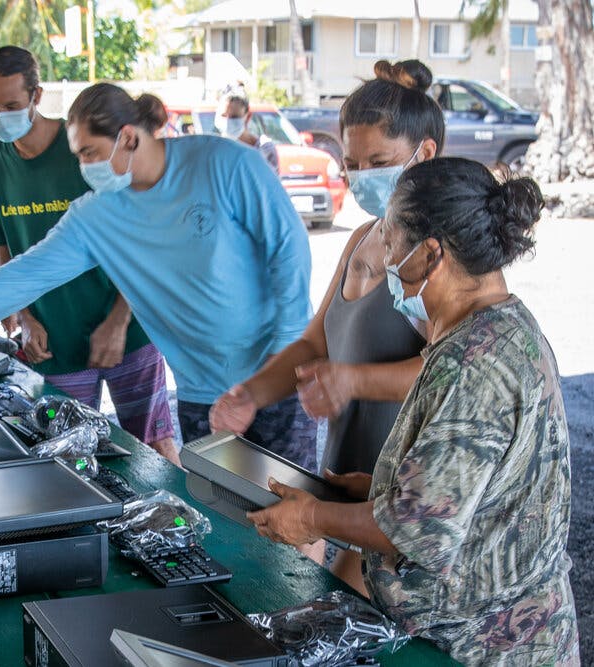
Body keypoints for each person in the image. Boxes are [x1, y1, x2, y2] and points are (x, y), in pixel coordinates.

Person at [247, 157, 579, 665]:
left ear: (429, 255)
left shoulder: (472, 365)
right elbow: (478, 492)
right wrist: (380, 489)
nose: (385, 263)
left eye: (390, 244)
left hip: (488, 647)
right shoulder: (501, 327)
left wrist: (312, 517)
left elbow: (418, 533)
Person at [0, 82, 316, 470]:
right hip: (203, 392)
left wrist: (278, 363)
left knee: (294, 509)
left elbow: (288, 252)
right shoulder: (96, 215)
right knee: (228, 511)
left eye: (89, 153)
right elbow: (28, 273)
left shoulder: (225, 164)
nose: (83, 167)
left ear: (128, 137)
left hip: (278, 376)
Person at [210, 59, 442, 589]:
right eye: (353, 164)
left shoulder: (438, 256)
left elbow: (450, 372)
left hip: (407, 503)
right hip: (351, 485)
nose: (363, 177)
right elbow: (316, 341)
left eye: (379, 163)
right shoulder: (363, 238)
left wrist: (353, 380)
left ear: (425, 154)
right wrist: (251, 394)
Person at [0, 47, 177, 464]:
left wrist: (118, 321)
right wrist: (25, 318)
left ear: (36, 96)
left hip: (129, 332)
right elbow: (4, 260)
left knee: (155, 451)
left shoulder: (84, 147)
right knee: (68, 459)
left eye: (10, 105)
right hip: (55, 345)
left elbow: (143, 243)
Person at [213, 87, 279, 174]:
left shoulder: (264, 149)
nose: (228, 121)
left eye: (234, 117)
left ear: (247, 117)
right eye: (223, 115)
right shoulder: (214, 149)